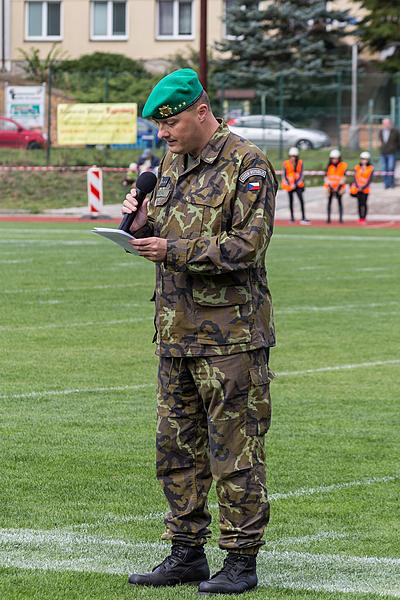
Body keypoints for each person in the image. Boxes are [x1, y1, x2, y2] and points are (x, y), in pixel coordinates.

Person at [121, 68, 277, 595]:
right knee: (176, 449)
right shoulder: (170, 164)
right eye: (159, 126)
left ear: (201, 111)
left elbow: (247, 246)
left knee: (234, 449)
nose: (163, 134)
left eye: (171, 122)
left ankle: (240, 561)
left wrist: (174, 251)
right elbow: (162, 229)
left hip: (231, 338)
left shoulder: (247, 164)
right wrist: (139, 223)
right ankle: (185, 552)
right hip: (174, 333)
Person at [281, 147, 309, 224]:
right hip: (290, 186)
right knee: (291, 201)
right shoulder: (286, 163)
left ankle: (303, 217)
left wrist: (296, 184)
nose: (293, 158)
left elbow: (301, 175)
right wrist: (290, 184)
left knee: (301, 201)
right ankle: (292, 218)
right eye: (291, 156)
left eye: (294, 156)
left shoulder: (300, 162)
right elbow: (284, 175)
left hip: (298, 185)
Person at [350, 151, 374, 224]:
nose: (364, 160)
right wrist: (358, 186)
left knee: (364, 203)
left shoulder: (370, 168)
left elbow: (369, 180)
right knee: (359, 204)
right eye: (362, 159)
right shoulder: (357, 167)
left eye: (365, 159)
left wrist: (363, 187)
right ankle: (360, 218)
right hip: (358, 188)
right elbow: (355, 178)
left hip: (365, 189)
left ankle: (364, 218)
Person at [324, 149, 347, 224]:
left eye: (336, 158)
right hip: (330, 187)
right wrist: (330, 187)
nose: (334, 160)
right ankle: (328, 218)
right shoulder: (328, 166)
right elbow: (326, 178)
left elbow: (343, 177)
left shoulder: (343, 165)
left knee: (340, 202)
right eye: (333, 158)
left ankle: (340, 219)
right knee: (329, 202)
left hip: (339, 187)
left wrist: (339, 187)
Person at [379, 118, 399, 189]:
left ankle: (391, 183)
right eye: (384, 123)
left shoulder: (395, 131)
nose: (386, 125)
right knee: (384, 168)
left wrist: (394, 148)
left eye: (387, 123)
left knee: (391, 168)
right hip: (383, 152)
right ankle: (386, 184)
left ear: (390, 124)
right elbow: (381, 141)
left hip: (392, 153)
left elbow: (398, 141)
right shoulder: (381, 131)